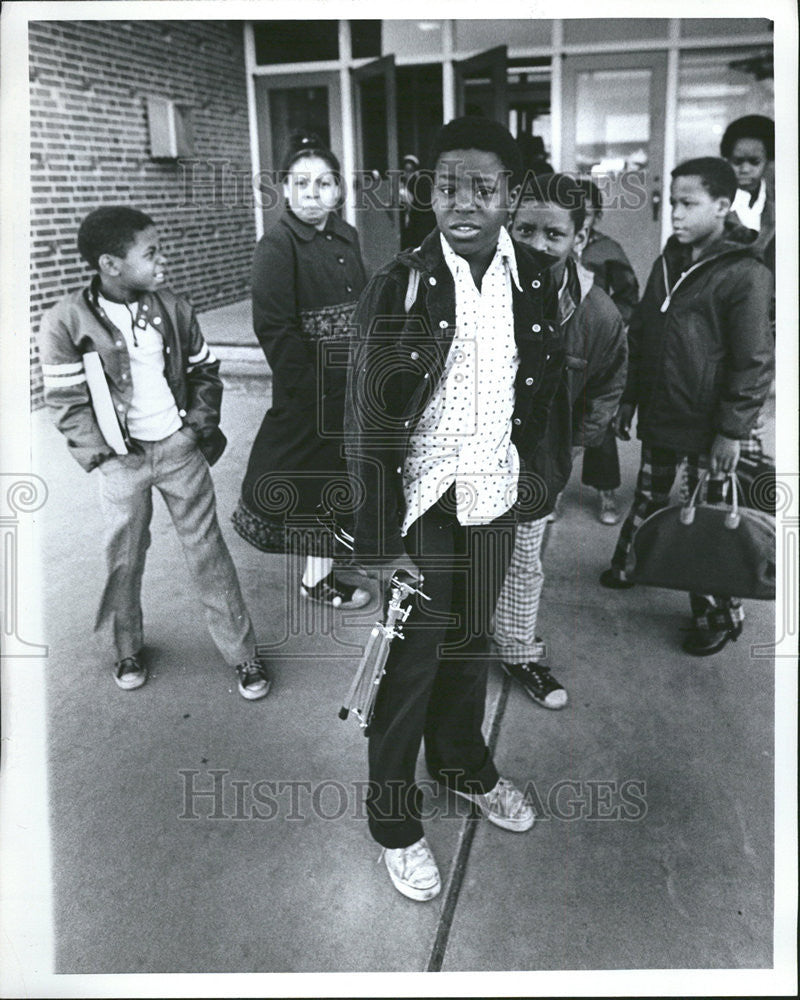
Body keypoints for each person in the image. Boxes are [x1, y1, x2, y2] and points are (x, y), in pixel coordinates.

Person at [345, 116, 564, 901]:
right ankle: (395, 825)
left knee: (469, 650)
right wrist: (378, 540)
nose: (464, 201)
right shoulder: (399, 283)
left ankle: (464, 767)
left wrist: (537, 483)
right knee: (408, 671)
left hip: (495, 500)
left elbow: (541, 394)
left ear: (510, 194)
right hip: (424, 511)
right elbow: (365, 420)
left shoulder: (537, 277)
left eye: (483, 186)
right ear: (426, 193)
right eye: (448, 186)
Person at [38, 206, 270, 699]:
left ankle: (243, 655)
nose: (162, 260)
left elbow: (206, 371)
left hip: (179, 452)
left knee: (209, 553)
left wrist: (194, 431)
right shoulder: (65, 321)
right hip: (121, 463)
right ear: (111, 264)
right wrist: (101, 455)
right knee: (124, 558)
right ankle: (127, 647)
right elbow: (65, 401)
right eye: (151, 252)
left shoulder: (173, 307)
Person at [599, 157, 774, 656]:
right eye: (673, 202)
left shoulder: (745, 273)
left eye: (687, 204)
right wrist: (630, 397)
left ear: (722, 205)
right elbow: (645, 335)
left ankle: (718, 615)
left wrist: (731, 431)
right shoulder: (669, 260)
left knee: (706, 520)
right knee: (651, 496)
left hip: (708, 425)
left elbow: (753, 361)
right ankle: (633, 562)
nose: (675, 213)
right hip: (662, 413)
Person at [494, 174, 627, 708]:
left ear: (580, 235)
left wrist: (570, 447)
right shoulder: (474, 288)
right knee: (461, 562)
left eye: (554, 234)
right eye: (525, 229)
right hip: (466, 464)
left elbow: (607, 387)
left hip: (537, 467)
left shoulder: (597, 314)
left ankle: (519, 651)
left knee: (524, 562)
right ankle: (451, 652)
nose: (537, 244)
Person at [232, 132, 370, 608]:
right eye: (302, 184)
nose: (313, 194)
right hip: (313, 392)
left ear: (338, 190)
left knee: (343, 478)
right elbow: (275, 328)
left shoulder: (346, 235)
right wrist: (315, 395)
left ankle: (330, 563)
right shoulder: (277, 244)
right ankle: (317, 580)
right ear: (286, 190)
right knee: (313, 482)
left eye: (324, 183)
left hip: (353, 383)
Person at [575, 177, 640, 526]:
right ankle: (549, 491)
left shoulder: (607, 250)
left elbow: (629, 294)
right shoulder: (552, 241)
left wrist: (610, 321)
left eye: (585, 212)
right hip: (556, 343)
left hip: (596, 346)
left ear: (596, 215)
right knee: (553, 416)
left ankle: (605, 491)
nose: (578, 217)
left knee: (597, 416)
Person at [720, 114, 775, 273]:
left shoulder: (781, 205)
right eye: (737, 162)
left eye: (754, 162)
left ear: (768, 162)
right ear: (727, 160)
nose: (745, 170)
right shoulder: (716, 203)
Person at [398, 153, 436, 250]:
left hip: (418, 223)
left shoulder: (420, 183)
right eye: (405, 170)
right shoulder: (401, 183)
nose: (407, 174)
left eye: (410, 170)